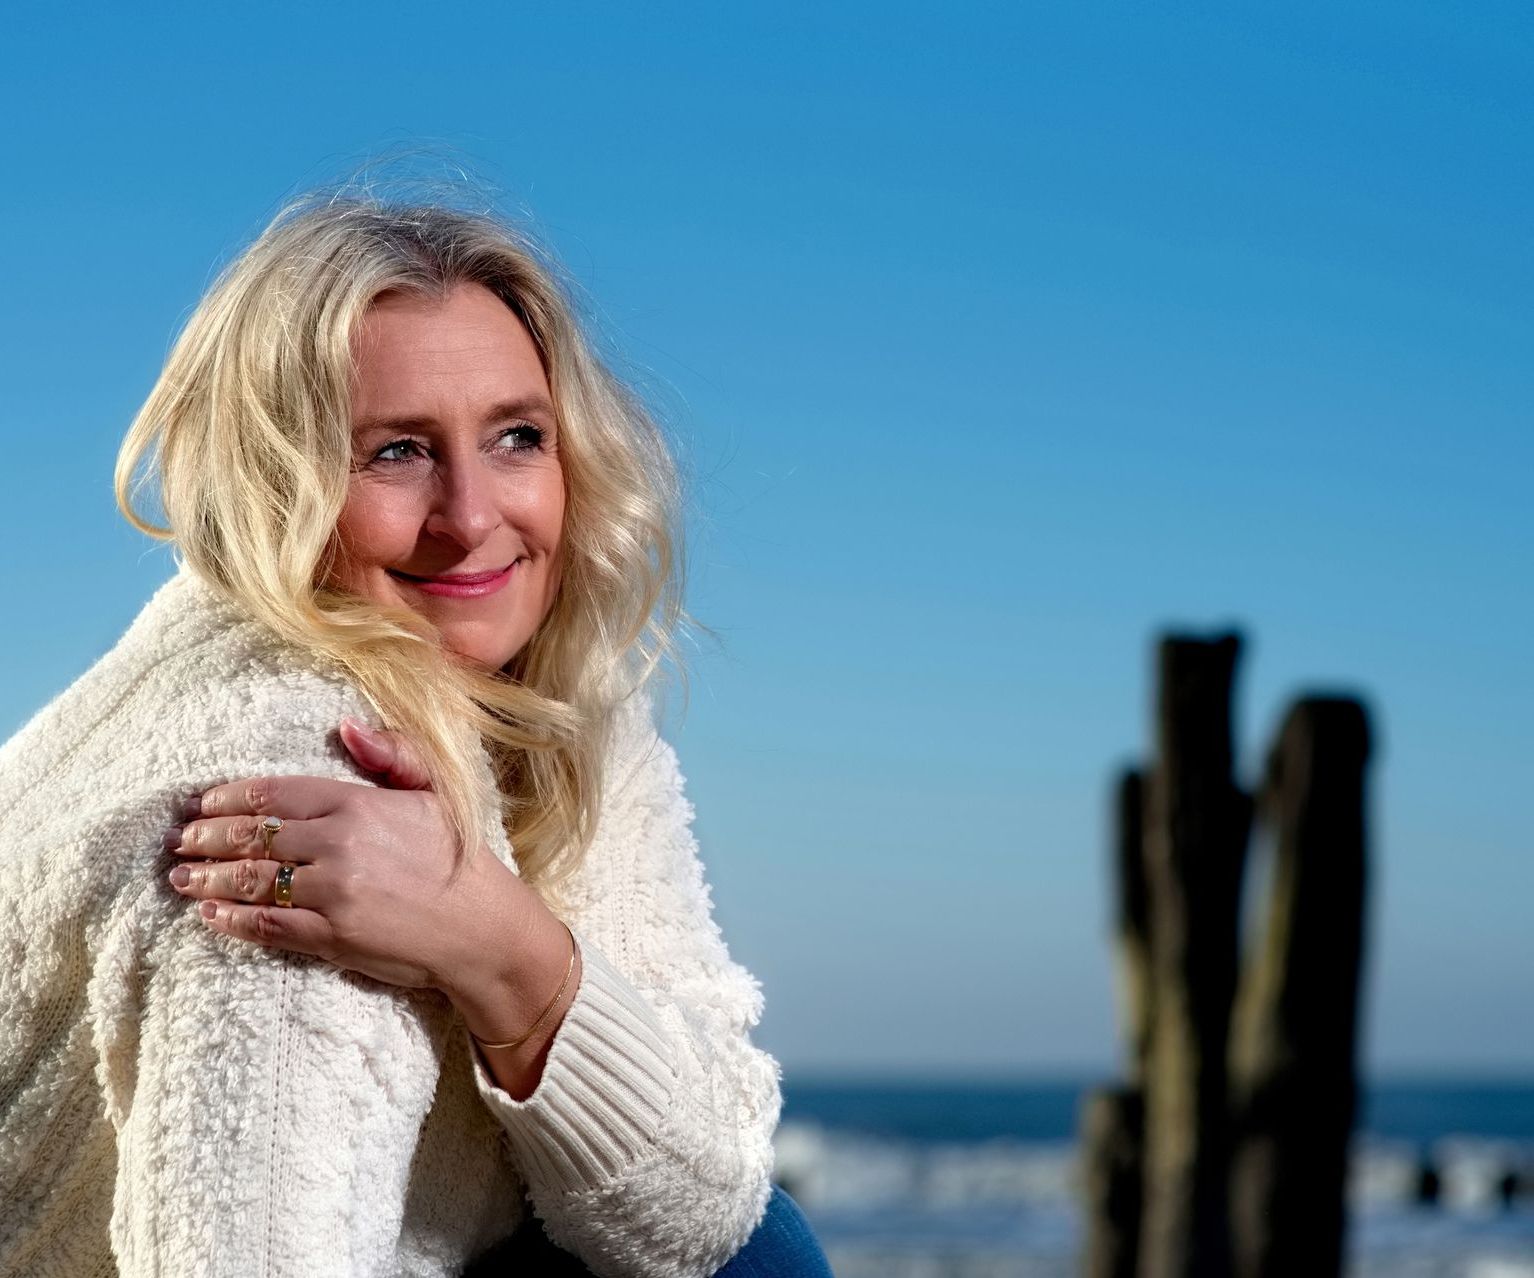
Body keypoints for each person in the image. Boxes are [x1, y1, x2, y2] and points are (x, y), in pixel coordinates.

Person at [0, 193, 833, 1277]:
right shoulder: (294, 790)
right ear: (273, 483)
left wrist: (498, 942)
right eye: (396, 453)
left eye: (517, 437)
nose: (473, 516)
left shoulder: (554, 702)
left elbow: (706, 1194)